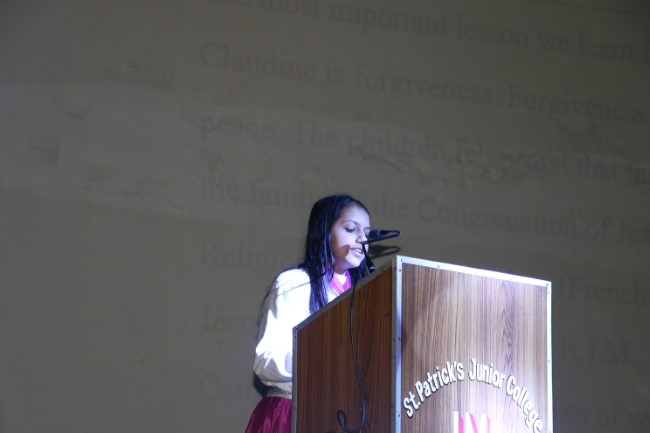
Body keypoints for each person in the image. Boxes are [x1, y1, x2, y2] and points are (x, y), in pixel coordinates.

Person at [245, 194, 372, 433]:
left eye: (367, 233)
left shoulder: (366, 294)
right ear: (325, 232)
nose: (362, 239)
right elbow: (266, 360)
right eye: (350, 229)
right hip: (291, 413)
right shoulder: (295, 283)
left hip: (344, 419)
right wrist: (325, 358)